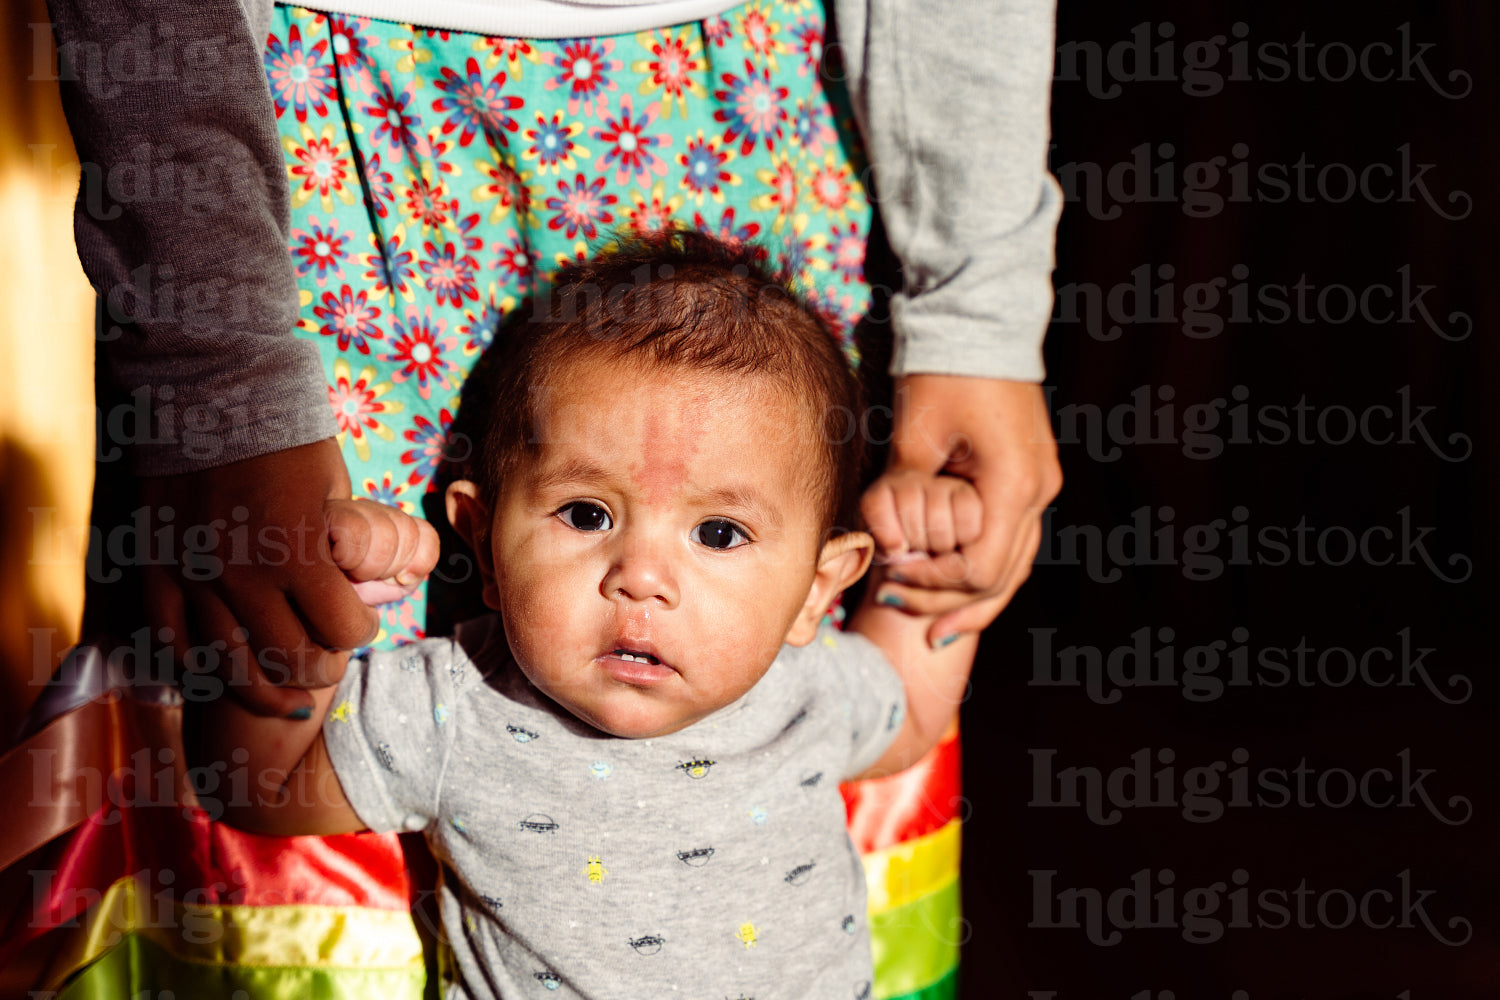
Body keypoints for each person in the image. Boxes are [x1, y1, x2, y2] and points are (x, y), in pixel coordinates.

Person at [191, 231, 1001, 999]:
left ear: (819, 591)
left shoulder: (808, 691)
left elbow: (918, 700)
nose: (640, 578)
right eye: (585, 515)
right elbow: (251, 784)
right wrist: (324, 606)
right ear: (484, 543)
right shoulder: (455, 705)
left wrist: (936, 554)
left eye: (718, 533)